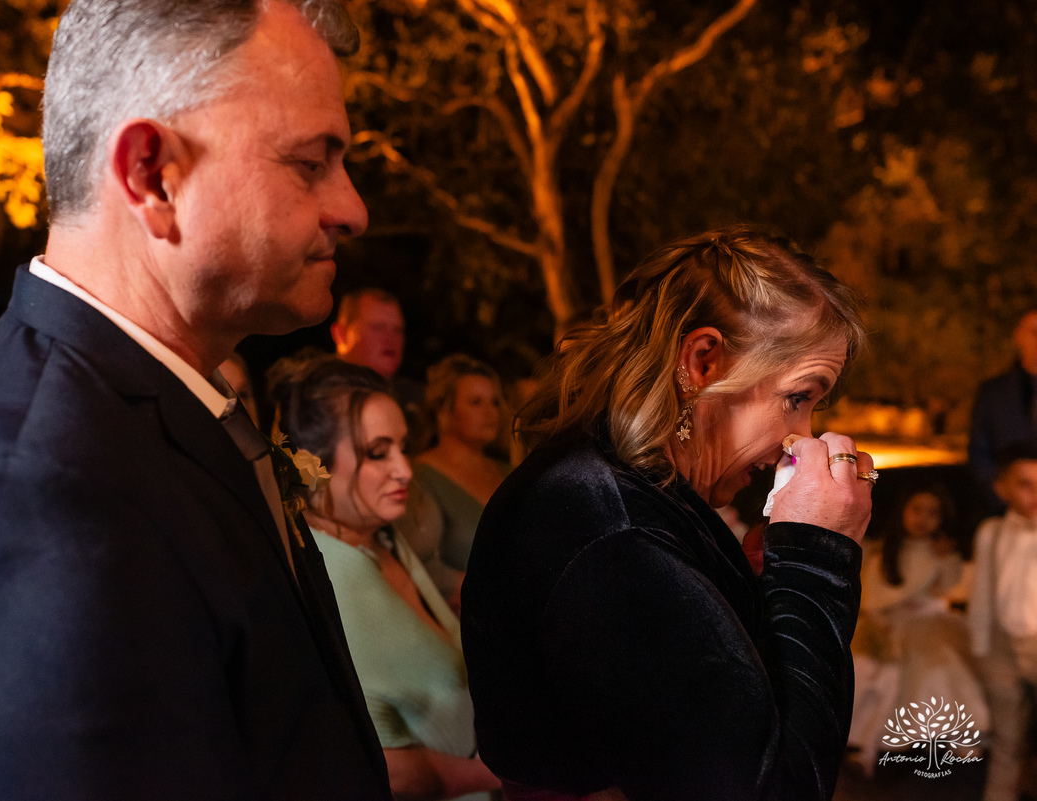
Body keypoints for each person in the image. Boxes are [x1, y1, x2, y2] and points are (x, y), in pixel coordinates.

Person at [0, 2, 393, 800]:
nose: (352, 209)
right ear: (152, 175)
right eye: (310, 163)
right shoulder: (24, 497)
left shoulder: (145, 416)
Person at [461, 226, 873, 801]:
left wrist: (754, 598)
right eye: (797, 397)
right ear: (703, 362)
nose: (799, 438)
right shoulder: (610, 530)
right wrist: (818, 563)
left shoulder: (623, 495)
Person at [269, 355, 501, 801]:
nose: (405, 470)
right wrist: (509, 774)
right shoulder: (328, 576)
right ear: (313, 463)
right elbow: (388, 769)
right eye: (378, 452)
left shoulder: (382, 536)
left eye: (402, 446)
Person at [848, 487, 985, 776]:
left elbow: (950, 587)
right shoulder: (884, 551)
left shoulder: (940, 552)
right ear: (902, 511)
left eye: (933, 513)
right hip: (886, 627)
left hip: (927, 625)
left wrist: (943, 559)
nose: (923, 519)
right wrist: (882, 621)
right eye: (916, 510)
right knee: (876, 676)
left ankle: (952, 735)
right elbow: (874, 596)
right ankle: (866, 744)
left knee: (939, 672)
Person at [968, 441, 1037, 801]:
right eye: (1025, 484)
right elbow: (981, 594)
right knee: (1006, 740)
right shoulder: (991, 532)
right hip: (1002, 648)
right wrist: (980, 649)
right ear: (1001, 488)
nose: (1035, 494)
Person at [413, 355, 511, 574]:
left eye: (495, 402)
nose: (490, 412)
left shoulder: (510, 473)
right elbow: (420, 564)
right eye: (476, 402)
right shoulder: (420, 476)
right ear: (444, 410)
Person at [332, 288, 425, 441]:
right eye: (377, 328)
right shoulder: (315, 398)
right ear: (341, 334)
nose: (390, 339)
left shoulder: (419, 404)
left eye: (398, 330)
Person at [969, 308, 1037, 514]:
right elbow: (979, 452)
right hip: (1005, 512)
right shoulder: (993, 392)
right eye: (1035, 332)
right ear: (1018, 335)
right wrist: (1003, 499)